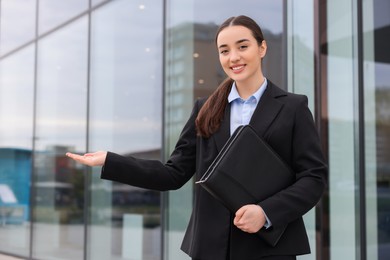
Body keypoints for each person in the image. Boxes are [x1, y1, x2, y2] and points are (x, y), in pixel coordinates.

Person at [66, 15, 327, 260]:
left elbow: (313, 178)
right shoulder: (205, 109)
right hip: (210, 247)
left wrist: (266, 212)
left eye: (242, 46)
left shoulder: (293, 108)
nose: (233, 57)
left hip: (270, 249)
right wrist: (110, 161)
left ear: (262, 48)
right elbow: (173, 174)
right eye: (224, 50)